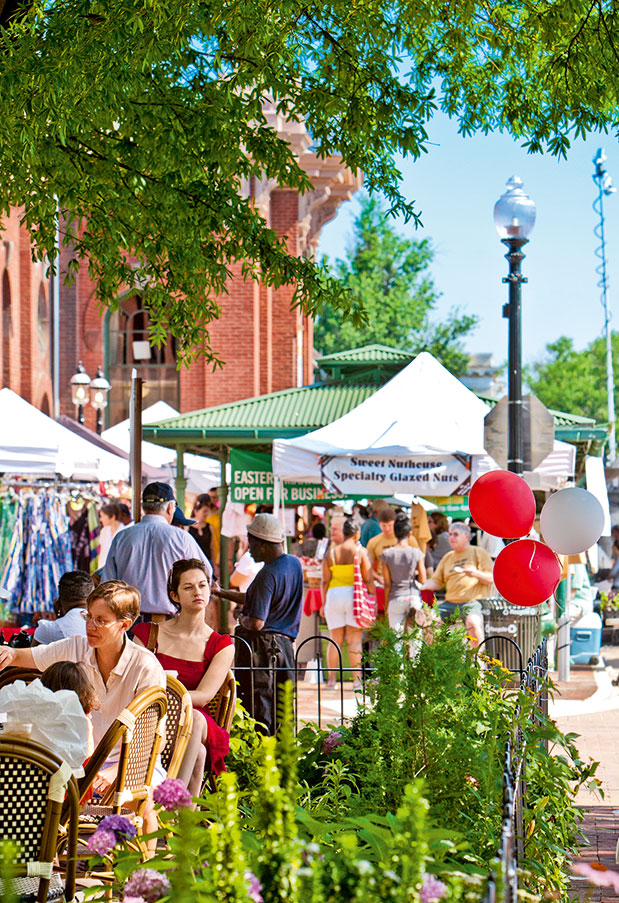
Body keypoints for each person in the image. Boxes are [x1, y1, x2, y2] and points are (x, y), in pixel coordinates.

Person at [132, 559, 234, 794]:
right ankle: (182, 811)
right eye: (188, 587)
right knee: (198, 753)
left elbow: (205, 696)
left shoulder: (221, 644)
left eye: (202, 585)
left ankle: (170, 795)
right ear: (174, 595)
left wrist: (166, 694)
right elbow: (133, 682)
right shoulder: (148, 634)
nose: (197, 592)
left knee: (194, 718)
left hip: (197, 716)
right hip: (151, 711)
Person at [213, 514, 303, 735]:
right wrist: (221, 593)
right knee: (283, 709)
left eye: (251, 543)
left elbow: (256, 623)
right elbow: (258, 598)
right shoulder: (293, 564)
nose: (249, 549)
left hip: (263, 650)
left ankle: (262, 753)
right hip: (284, 649)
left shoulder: (267, 574)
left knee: (260, 711)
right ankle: (283, 753)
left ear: (263, 544)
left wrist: (241, 617)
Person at [100, 483, 213, 620]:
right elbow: (205, 574)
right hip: (171, 623)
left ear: (143, 507)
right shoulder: (181, 538)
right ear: (170, 507)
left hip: (128, 622)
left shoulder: (122, 537)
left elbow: (108, 585)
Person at [420, 522, 494, 647]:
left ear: (466, 536)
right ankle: (433, 655)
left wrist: (475, 573)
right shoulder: (448, 557)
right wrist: (420, 585)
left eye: (455, 534)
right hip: (450, 603)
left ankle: (476, 657)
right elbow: (436, 582)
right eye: (450, 534)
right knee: (429, 622)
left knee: (473, 623)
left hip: (472, 602)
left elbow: (491, 579)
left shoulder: (478, 552)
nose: (451, 538)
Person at [321, 518, 373, 688]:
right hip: (353, 596)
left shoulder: (331, 553)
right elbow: (368, 577)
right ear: (357, 534)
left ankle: (331, 681)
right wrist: (373, 595)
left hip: (334, 596)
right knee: (354, 641)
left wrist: (323, 603)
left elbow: (324, 581)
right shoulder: (360, 551)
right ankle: (357, 681)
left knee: (334, 640)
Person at [367, 506, 419, 613]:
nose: (387, 529)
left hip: (405, 585)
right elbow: (368, 567)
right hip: (382, 584)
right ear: (379, 524)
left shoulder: (409, 539)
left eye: (390, 525)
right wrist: (378, 577)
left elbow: (418, 564)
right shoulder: (374, 542)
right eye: (383, 526)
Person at [382, 514, 427, 632]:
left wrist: (386, 605)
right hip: (413, 597)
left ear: (394, 533)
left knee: (396, 637)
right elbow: (423, 580)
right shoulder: (416, 553)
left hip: (396, 597)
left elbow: (387, 584)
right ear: (410, 533)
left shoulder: (387, 554)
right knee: (415, 638)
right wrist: (415, 573)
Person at [32, 570, 95, 645]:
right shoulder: (103, 625)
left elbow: (30, 652)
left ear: (58, 602)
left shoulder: (48, 629)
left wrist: (58, 616)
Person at [98, 502, 125, 568]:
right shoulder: (104, 530)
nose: (100, 519)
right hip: (103, 568)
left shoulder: (124, 531)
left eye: (102, 516)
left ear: (112, 517)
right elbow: (102, 552)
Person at [188, 494, 213, 563]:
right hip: (191, 562)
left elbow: (212, 548)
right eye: (204, 511)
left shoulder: (210, 527)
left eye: (207, 511)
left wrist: (213, 564)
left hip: (206, 561)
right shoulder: (187, 526)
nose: (206, 514)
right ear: (195, 511)